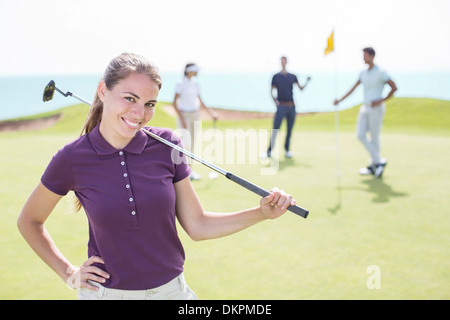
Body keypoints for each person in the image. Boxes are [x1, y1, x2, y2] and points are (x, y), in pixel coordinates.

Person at [17, 53, 296, 300]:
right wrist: (69, 273)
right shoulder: (72, 157)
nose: (139, 114)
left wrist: (261, 214)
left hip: (172, 292)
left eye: (150, 103)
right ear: (103, 91)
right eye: (130, 98)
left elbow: (197, 225)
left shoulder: (168, 145)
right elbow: (29, 221)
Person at [334, 47, 397, 178]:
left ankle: (373, 166)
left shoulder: (381, 72)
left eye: (365, 55)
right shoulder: (363, 73)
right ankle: (379, 162)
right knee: (360, 134)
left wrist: (381, 100)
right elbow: (353, 88)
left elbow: (394, 87)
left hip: (376, 108)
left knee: (374, 137)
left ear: (372, 56)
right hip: (365, 107)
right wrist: (340, 100)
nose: (363, 58)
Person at [172, 63, 218, 180]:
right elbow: (174, 103)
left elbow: (200, 100)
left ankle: (190, 171)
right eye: (195, 70)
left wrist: (211, 113)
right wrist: (182, 119)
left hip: (195, 114)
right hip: (184, 115)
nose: (197, 72)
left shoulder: (196, 84)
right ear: (189, 71)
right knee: (185, 143)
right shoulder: (180, 84)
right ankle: (181, 171)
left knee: (192, 143)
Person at [262, 56, 310, 159]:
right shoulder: (276, 77)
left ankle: (287, 150)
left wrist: (307, 81)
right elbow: (271, 90)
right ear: (280, 62)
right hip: (281, 106)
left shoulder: (292, 76)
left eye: (284, 61)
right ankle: (269, 151)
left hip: (291, 106)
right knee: (276, 128)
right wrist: (275, 101)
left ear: (286, 62)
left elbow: (301, 88)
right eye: (282, 61)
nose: (283, 62)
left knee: (289, 129)